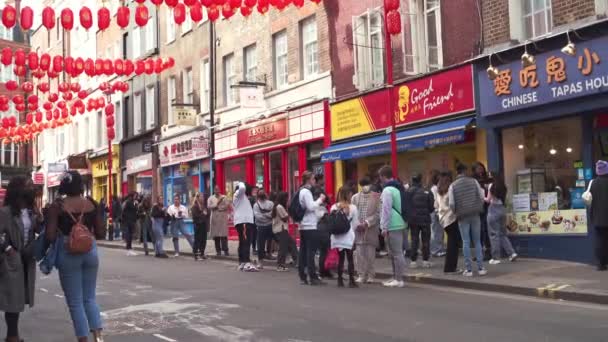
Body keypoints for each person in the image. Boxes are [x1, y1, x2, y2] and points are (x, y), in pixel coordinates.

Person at [46, 171, 105, 342]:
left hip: (68, 251)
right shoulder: (92, 204)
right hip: (90, 250)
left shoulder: (58, 206)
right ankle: (99, 338)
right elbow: (101, 233)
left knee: (75, 302)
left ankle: (83, 340)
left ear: (63, 186)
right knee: (90, 298)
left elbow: (49, 236)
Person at [0, 176, 41, 342]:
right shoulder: (5, 212)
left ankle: (13, 336)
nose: (32, 187)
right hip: (11, 259)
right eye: (28, 185)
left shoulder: (32, 211)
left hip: (26, 259)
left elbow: (38, 231)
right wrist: (8, 249)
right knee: (12, 300)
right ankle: (12, 336)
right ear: (19, 190)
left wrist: (40, 217)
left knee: (18, 298)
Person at [449, 163, 487, 277]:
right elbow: (481, 196)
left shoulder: (453, 186)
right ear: (466, 171)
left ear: (457, 172)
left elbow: (451, 203)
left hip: (462, 215)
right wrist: (478, 205)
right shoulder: (474, 182)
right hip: (475, 214)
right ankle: (481, 268)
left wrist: (455, 211)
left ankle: (469, 269)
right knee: (477, 241)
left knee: (465, 241)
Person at [378, 166, 407, 288]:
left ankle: (399, 279)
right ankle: (396, 277)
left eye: (380, 177)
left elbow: (386, 209)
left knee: (396, 253)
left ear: (384, 176)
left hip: (392, 224)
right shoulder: (399, 187)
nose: (380, 179)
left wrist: (383, 226)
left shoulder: (387, 190)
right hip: (402, 222)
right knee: (397, 252)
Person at [297, 171, 326, 285]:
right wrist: (320, 200)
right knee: (311, 252)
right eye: (313, 179)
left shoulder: (301, 191)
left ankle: (303, 276)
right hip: (309, 225)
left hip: (303, 225)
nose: (315, 181)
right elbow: (310, 206)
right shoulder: (306, 192)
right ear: (308, 180)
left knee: (304, 251)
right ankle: (312, 277)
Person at [352, 176, 380, 284]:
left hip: (371, 229)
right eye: (363, 185)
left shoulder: (376, 197)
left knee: (370, 253)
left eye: (367, 185)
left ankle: (370, 275)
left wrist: (367, 222)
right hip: (358, 229)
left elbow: (378, 213)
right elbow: (352, 212)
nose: (365, 187)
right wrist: (357, 224)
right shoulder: (355, 197)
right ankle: (361, 274)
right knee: (359, 253)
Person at [486, 172, 517, 265]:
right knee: (503, 234)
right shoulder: (504, 186)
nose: (489, 177)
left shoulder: (491, 185)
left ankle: (495, 257)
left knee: (493, 234)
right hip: (502, 209)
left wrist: (481, 196)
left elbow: (488, 199)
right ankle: (512, 253)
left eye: (490, 175)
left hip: (493, 209)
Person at [330, 186, 359, 288]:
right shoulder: (353, 207)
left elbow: (332, 222)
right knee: (350, 258)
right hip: (348, 236)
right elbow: (355, 224)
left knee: (341, 258)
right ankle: (351, 280)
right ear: (348, 195)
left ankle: (340, 280)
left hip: (337, 236)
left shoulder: (334, 207)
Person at [405, 174, 435, 268]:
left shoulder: (408, 192)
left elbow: (405, 206)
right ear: (421, 180)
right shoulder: (427, 191)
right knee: (426, 240)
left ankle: (413, 261)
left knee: (414, 240)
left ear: (412, 180)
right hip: (425, 219)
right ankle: (425, 261)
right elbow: (431, 207)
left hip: (413, 220)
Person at [435, 172, 461, 273]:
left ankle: (449, 268)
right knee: (453, 244)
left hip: (443, 219)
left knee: (452, 243)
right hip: (451, 218)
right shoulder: (451, 189)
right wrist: (456, 212)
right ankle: (451, 268)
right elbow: (452, 203)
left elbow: (436, 205)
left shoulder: (438, 190)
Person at [589, 160, 608, 271]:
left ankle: (601, 264)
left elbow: (589, 201)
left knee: (600, 241)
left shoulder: (593, 183)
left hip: (597, 218)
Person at [233, 182, 257, 271]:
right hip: (244, 222)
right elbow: (242, 188)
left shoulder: (243, 198)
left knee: (243, 242)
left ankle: (242, 262)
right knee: (246, 242)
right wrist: (241, 183)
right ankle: (246, 262)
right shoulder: (239, 195)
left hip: (245, 222)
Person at [272, 192, 297, 271]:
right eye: (286, 198)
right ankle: (280, 265)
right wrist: (289, 212)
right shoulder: (279, 207)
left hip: (280, 229)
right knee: (283, 247)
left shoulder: (278, 206)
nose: (287, 199)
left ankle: (297, 260)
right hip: (281, 229)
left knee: (292, 244)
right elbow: (284, 218)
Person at [473, 161, 492, 261]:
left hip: (487, 207)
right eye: (477, 168)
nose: (480, 170)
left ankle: (487, 252)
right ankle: (478, 253)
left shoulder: (488, 179)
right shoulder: (473, 181)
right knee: (478, 231)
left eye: (481, 168)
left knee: (485, 230)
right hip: (477, 208)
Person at [253, 189, 274, 268]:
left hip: (270, 225)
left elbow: (273, 214)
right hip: (261, 226)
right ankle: (260, 261)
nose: (262, 194)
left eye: (263, 192)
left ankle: (270, 254)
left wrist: (264, 215)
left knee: (271, 241)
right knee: (260, 244)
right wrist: (267, 216)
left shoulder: (270, 203)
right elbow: (257, 217)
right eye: (260, 193)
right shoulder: (256, 205)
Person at [208, 186, 230, 257]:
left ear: (220, 190)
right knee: (216, 236)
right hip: (215, 219)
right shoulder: (210, 198)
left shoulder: (224, 197)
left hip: (223, 218)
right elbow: (209, 206)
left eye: (218, 189)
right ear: (214, 190)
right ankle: (218, 251)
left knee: (224, 235)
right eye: (215, 189)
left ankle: (226, 250)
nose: (216, 190)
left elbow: (227, 205)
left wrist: (220, 208)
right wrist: (217, 204)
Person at [429, 170, 445, 257]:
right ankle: (436, 250)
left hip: (435, 211)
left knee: (437, 231)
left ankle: (438, 249)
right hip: (436, 211)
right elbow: (437, 201)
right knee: (437, 231)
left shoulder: (433, 188)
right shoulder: (435, 188)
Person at [191, 193, 209, 261]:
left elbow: (207, 214)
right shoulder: (195, 206)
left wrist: (206, 213)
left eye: (203, 197)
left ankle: (202, 253)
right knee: (197, 239)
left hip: (203, 224)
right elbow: (195, 216)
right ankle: (196, 254)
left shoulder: (203, 206)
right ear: (198, 198)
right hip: (198, 224)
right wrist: (203, 214)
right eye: (201, 197)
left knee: (203, 240)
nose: (203, 198)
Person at [249, 186, 259, 254]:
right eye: (255, 190)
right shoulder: (251, 198)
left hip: (257, 218)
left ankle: (256, 248)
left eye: (257, 190)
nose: (256, 192)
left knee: (256, 234)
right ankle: (253, 248)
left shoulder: (258, 198)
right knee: (253, 234)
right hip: (253, 218)